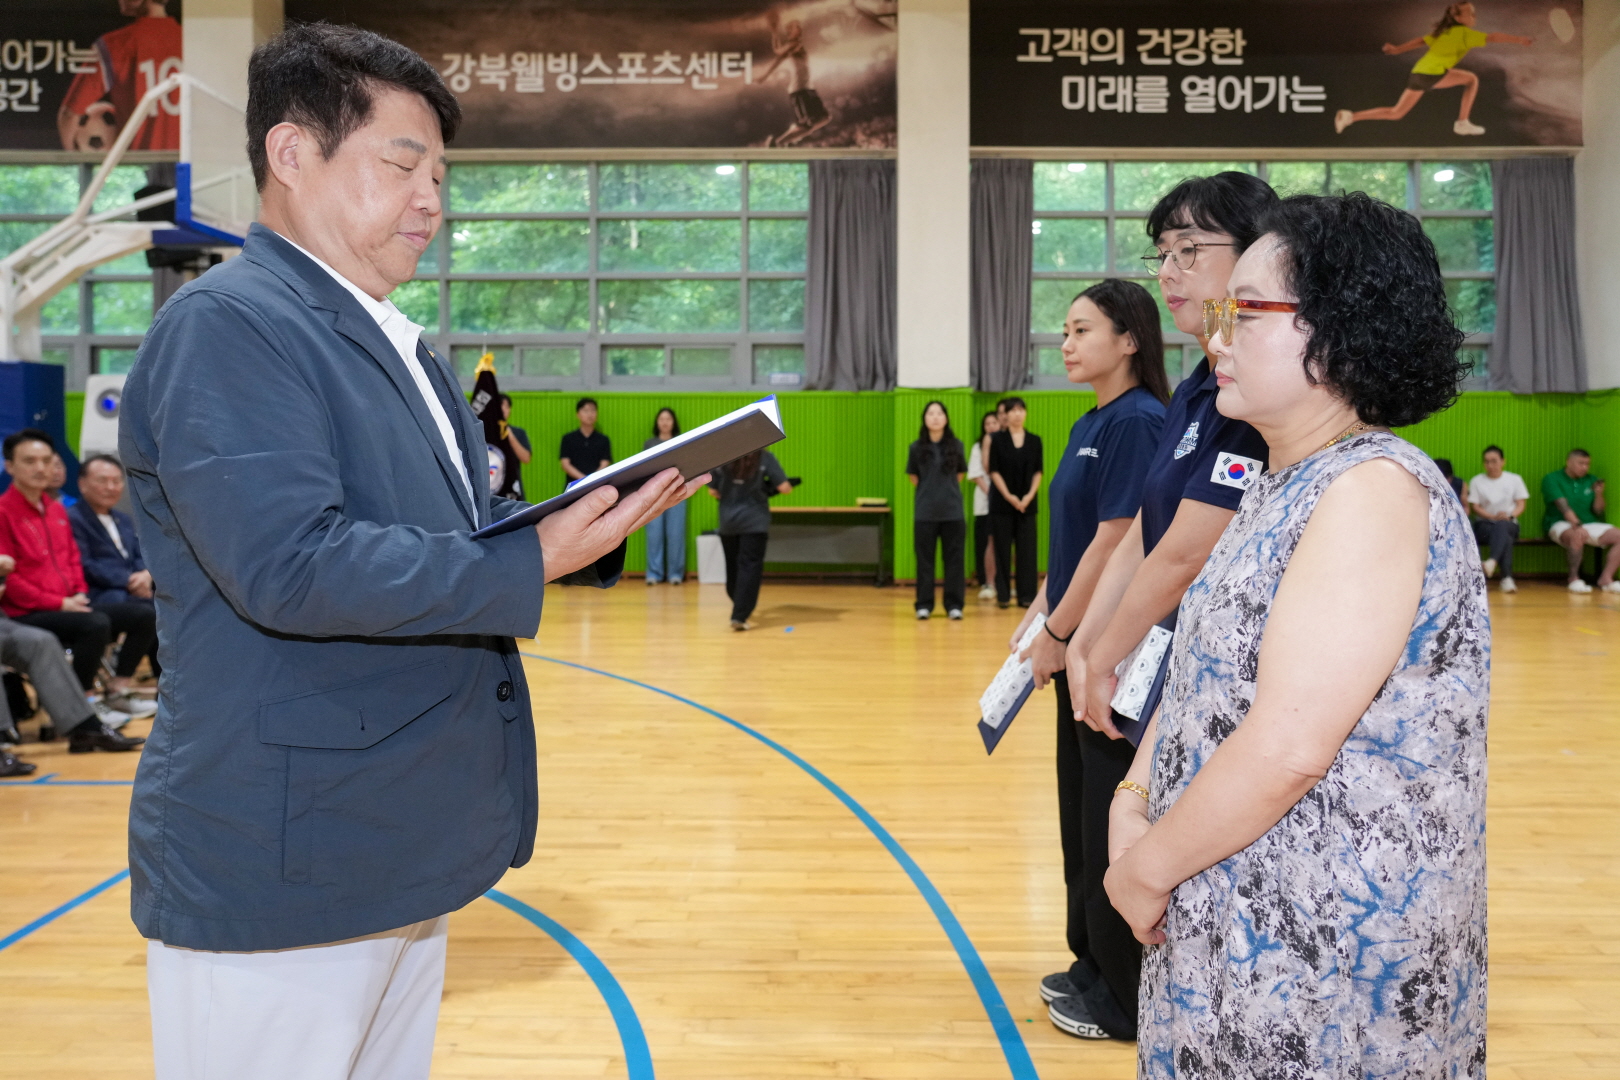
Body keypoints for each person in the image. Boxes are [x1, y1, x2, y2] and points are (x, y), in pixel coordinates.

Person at [118, 25, 703, 1080]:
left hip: (380, 840)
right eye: (402, 166)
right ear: (292, 155)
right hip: (284, 859)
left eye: (439, 175)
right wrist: (531, 562)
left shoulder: (394, 341)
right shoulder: (231, 324)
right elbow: (292, 565)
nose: (432, 202)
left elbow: (432, 534)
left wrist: (560, 525)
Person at [1107, 192, 1486, 1077]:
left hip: (1324, 953)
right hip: (1233, 917)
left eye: (1246, 312)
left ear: (1338, 329)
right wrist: (1132, 797)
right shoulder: (1282, 481)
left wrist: (1146, 868)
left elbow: (1287, 748)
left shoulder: (1370, 490)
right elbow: (1201, 673)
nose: (1216, 335)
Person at [1054, 173, 1277, 1040]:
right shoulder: (1198, 385)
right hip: (1154, 655)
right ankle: (1120, 983)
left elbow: (1185, 549)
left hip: (1214, 665)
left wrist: (1103, 648)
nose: (1172, 271)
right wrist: (1085, 645)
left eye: (1192, 250)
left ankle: (1143, 1000)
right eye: (1164, 254)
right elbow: (1143, 534)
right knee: (1115, 821)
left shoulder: (1255, 390)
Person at [1007, 280, 1170, 1041]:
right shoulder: (1089, 422)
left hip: (1114, 653)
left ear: (1129, 339)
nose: (1066, 343)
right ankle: (1090, 962)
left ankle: (1124, 994)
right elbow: (1074, 544)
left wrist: (1062, 630)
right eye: (1064, 330)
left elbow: (1115, 544)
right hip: (1074, 642)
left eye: (1082, 330)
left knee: (1107, 812)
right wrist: (1040, 616)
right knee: (1077, 809)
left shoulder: (1139, 422)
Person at [0, 429, 144, 751]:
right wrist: (59, 603)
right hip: (24, 611)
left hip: (67, 604)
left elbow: (72, 561)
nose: (41, 468)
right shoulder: (3, 512)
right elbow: (10, 580)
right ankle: (86, 702)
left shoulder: (55, 511)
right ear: (9, 466)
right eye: (30, 461)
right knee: (94, 624)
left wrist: (78, 594)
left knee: (141, 614)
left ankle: (101, 704)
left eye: (46, 460)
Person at [1334, 2, 1532, 137]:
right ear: (1458, 18)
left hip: (1420, 72)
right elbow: (1494, 36)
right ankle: (1462, 122)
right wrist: (1520, 40)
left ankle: (1350, 116)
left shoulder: (1444, 32)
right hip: (1433, 72)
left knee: (1396, 112)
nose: (1474, 17)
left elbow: (1421, 40)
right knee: (1471, 79)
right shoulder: (1465, 34)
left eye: (1474, 13)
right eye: (1470, 14)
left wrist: (1398, 49)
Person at [68, 454, 162, 709]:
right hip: (100, 594)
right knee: (149, 613)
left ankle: (165, 688)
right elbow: (85, 564)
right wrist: (130, 581)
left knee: (165, 608)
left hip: (132, 593)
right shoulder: (73, 518)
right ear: (82, 484)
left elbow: (139, 556)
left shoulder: (123, 519)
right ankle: (119, 686)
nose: (111, 487)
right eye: (102, 480)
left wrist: (145, 575)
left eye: (116, 481)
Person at [57, 0, 183, 152]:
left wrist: (75, 161)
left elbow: (69, 115)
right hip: (191, 160)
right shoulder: (192, 41)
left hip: (137, 162)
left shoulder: (115, 44)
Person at [709, 450, 792, 630]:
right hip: (755, 521)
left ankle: (738, 603)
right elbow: (784, 488)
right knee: (750, 566)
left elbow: (713, 491)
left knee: (733, 567)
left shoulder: (723, 456)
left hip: (729, 522)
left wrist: (732, 495)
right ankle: (740, 614)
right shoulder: (765, 457)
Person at [907, 401, 969, 620]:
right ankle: (924, 604)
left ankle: (954, 605)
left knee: (954, 561)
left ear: (946, 418)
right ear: (924, 419)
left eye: (939, 413)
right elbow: (914, 477)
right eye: (930, 413)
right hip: (925, 513)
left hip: (953, 513)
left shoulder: (957, 446)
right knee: (925, 561)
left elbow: (960, 475)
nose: (935, 417)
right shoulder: (915, 448)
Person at [988, 398, 1043, 608]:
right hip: (1002, 504)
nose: (1017, 414)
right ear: (1006, 415)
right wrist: (1009, 496)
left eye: (1021, 410)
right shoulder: (997, 440)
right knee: (1002, 550)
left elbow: (1038, 471)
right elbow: (994, 471)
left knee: (1027, 552)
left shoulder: (1035, 440)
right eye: (1013, 410)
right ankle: (1003, 595)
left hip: (1027, 505)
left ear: (1025, 413)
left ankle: (1026, 595)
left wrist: (1028, 496)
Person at [1542, 448, 1619, 593]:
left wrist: (1599, 493)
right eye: (1580, 463)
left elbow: (1598, 510)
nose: (1584, 467)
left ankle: (1606, 578)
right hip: (1560, 523)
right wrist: (1577, 525)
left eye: (1587, 464)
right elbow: (1563, 506)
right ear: (1568, 462)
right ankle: (1574, 579)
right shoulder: (1552, 478)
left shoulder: (1591, 480)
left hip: (1589, 522)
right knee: (1577, 535)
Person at [758, 14, 831, 148]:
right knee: (806, 125)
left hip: (808, 88)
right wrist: (774, 32)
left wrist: (774, 32)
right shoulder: (793, 44)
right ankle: (778, 143)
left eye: (799, 27)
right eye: (796, 27)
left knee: (824, 118)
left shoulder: (796, 46)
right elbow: (778, 53)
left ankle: (791, 137)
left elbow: (778, 55)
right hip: (800, 90)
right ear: (790, 32)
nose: (800, 29)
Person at [1468, 444, 1528, 593]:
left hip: (1509, 523)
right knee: (1504, 536)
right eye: (1486, 461)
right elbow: (1475, 506)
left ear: (1503, 461)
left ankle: (1492, 562)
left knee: (1503, 527)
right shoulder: (1477, 481)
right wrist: (1493, 516)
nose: (1490, 465)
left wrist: (1510, 516)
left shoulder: (1514, 479)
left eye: (1494, 461)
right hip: (1485, 524)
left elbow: (1521, 504)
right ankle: (1506, 578)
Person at [643, 408, 688, 585]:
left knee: (676, 534)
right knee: (654, 535)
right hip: (654, 494)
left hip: (677, 491)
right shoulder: (649, 444)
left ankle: (675, 573)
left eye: (668, 419)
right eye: (661, 419)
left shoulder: (681, 442)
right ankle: (654, 573)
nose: (665, 422)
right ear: (657, 422)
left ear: (673, 422)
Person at [967, 411, 1000, 600]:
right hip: (984, 503)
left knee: (1002, 544)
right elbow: (975, 474)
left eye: (994, 422)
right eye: (987, 424)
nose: (991, 426)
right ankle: (987, 582)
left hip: (1004, 503)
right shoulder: (977, 447)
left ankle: (1002, 583)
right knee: (985, 542)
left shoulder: (1005, 443)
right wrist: (993, 493)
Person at [560, 397, 612, 482]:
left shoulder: (603, 439)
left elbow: (605, 462)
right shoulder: (568, 439)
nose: (590, 414)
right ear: (578, 414)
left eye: (593, 410)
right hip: (574, 484)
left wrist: (591, 480)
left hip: (596, 483)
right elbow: (565, 464)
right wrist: (583, 480)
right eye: (586, 411)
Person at [498, 393, 532, 497]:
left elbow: (526, 458)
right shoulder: (483, 432)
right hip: (491, 484)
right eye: (499, 406)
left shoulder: (518, 433)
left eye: (506, 406)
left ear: (510, 410)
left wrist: (510, 435)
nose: (502, 409)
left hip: (513, 487)